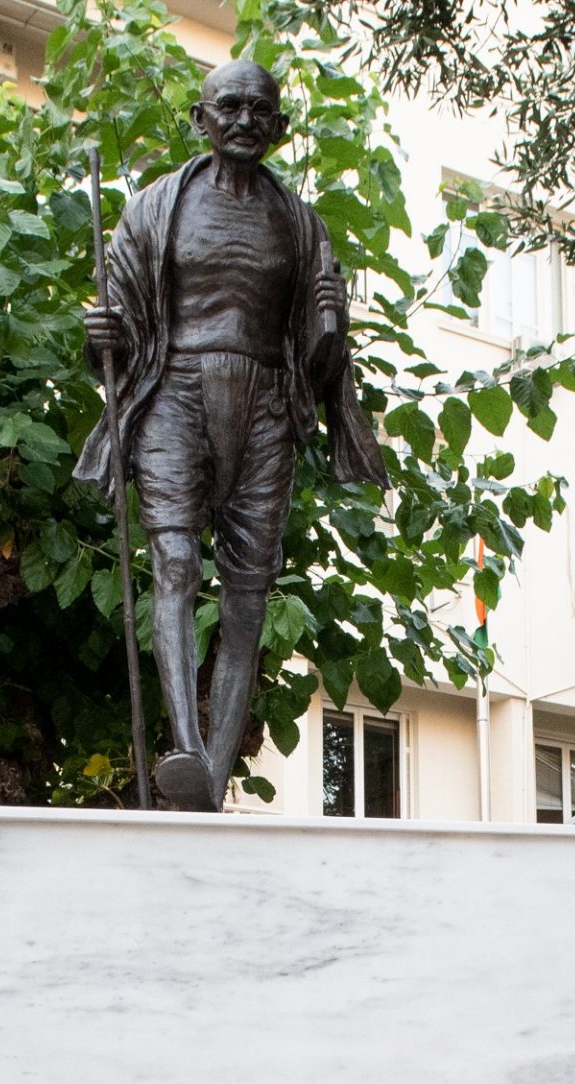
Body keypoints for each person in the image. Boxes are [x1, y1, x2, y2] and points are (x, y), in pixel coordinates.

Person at [79, 59, 384, 811]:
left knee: (248, 595)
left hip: (266, 403)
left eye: (259, 109)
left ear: (279, 127)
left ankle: (207, 782)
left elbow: (319, 348)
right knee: (175, 562)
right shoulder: (155, 210)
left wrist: (329, 334)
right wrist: (99, 335)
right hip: (175, 389)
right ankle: (184, 742)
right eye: (229, 107)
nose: (244, 120)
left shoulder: (300, 223)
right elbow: (114, 341)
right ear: (200, 118)